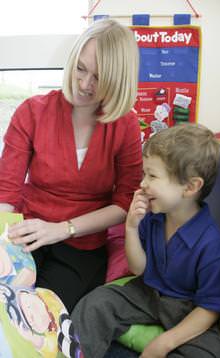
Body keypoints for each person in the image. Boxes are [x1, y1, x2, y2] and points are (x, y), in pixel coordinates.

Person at [0, 19, 142, 313]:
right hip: (27, 231)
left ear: (118, 81)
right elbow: (6, 191)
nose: (84, 84)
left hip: (83, 243)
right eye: (80, 68)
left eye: (98, 77)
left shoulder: (125, 124)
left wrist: (63, 229)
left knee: (41, 315)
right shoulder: (32, 112)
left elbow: (125, 203)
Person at [71, 123, 220, 358]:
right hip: (145, 294)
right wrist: (131, 228)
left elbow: (210, 308)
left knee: (212, 353)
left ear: (190, 187)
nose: (143, 184)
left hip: (187, 310)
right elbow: (139, 268)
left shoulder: (211, 244)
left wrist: (164, 343)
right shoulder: (153, 217)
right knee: (96, 303)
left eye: (152, 176)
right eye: (144, 174)